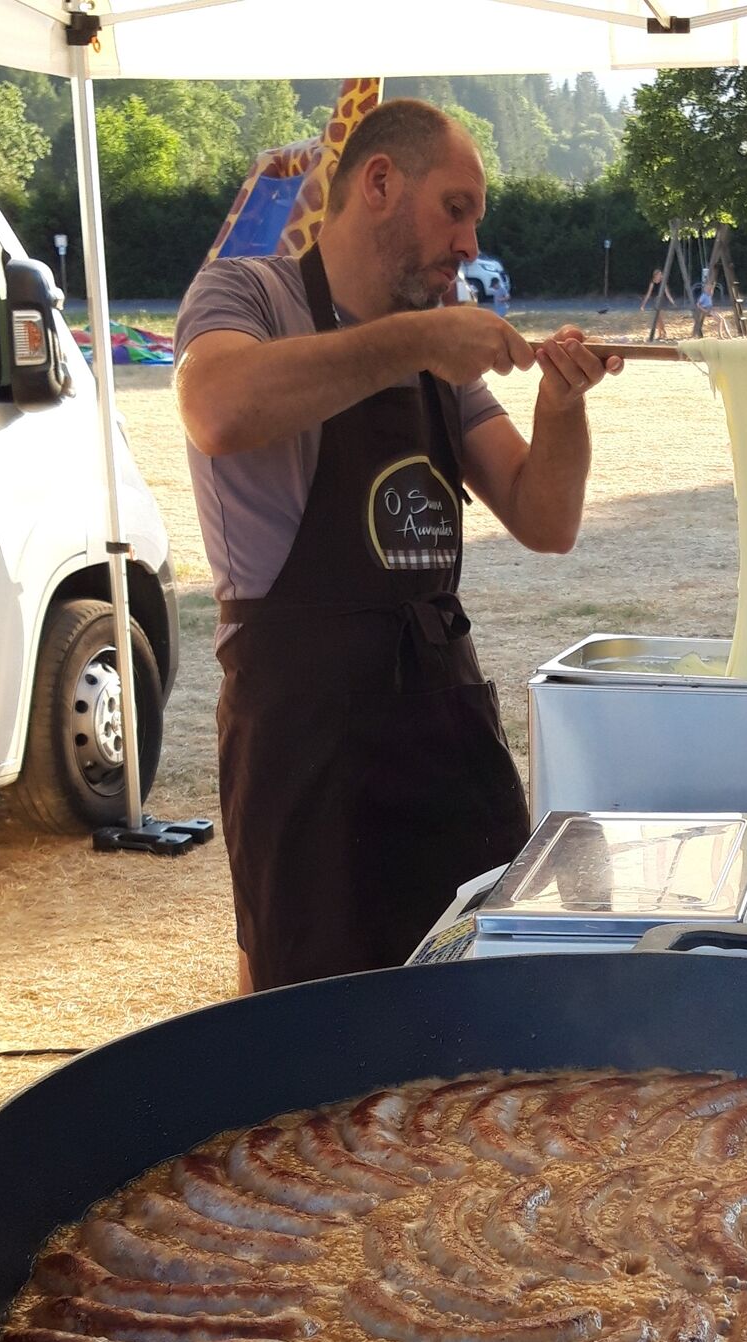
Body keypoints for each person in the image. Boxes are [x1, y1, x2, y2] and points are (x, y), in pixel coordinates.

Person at [174, 99, 622, 993]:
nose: (468, 243)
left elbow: (545, 518)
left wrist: (561, 410)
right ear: (379, 182)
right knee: (314, 1058)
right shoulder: (246, 294)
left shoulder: (437, 351)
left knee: (481, 1024)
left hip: (443, 736)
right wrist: (419, 340)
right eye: (455, 208)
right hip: (308, 755)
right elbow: (216, 408)